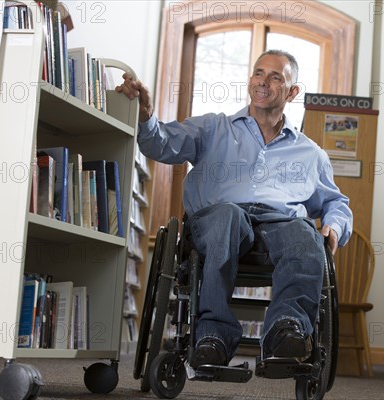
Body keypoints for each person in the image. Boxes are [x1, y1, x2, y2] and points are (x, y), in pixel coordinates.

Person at [116, 50, 352, 368]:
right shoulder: (214, 128)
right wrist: (146, 115)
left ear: (293, 91)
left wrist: (334, 226)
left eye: (275, 76)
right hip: (218, 220)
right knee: (228, 215)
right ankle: (213, 335)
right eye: (258, 73)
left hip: (278, 228)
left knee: (303, 231)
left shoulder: (311, 154)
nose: (263, 82)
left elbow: (336, 203)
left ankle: (287, 330)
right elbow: (161, 144)